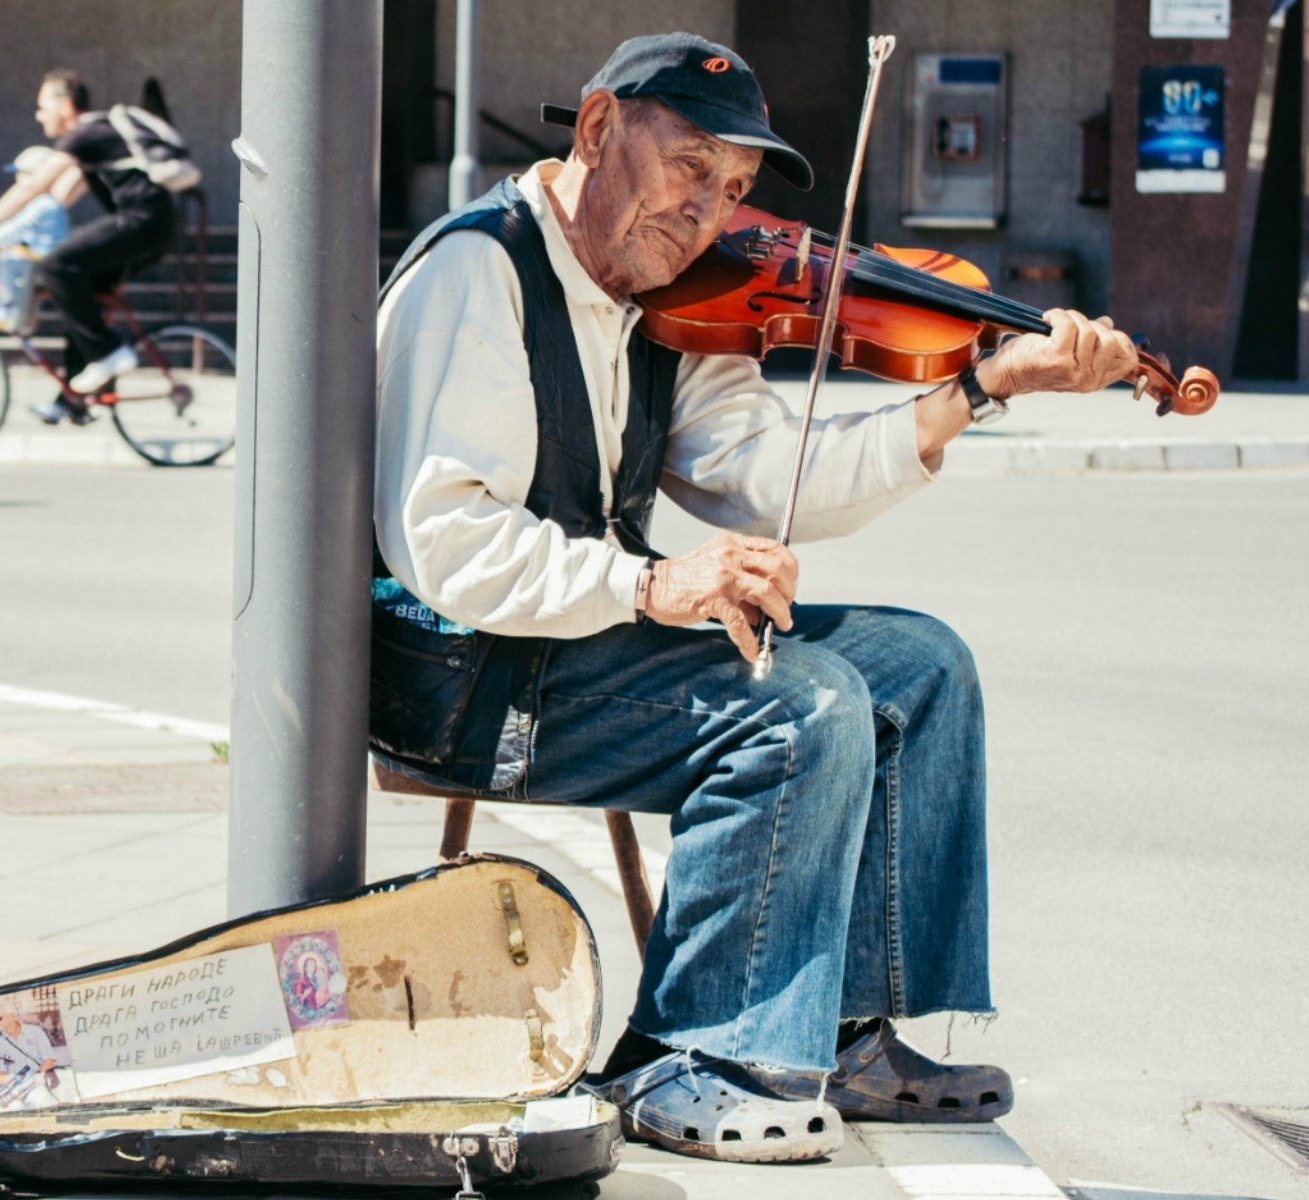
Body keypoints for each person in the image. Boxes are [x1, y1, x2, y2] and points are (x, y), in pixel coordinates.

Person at [370, 33, 1139, 1164]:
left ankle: (842, 1030)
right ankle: (685, 1055)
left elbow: (769, 481)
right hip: (464, 678)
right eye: (693, 169)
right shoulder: (477, 271)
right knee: (805, 704)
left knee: (919, 664)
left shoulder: (673, 299)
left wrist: (975, 387)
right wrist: (656, 580)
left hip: (578, 643)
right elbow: (449, 544)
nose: (711, 214)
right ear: (596, 130)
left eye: (734, 190)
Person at [0, 70, 175, 425]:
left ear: (65, 105)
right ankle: (74, 398)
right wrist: (1, 236)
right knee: (79, 296)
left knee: (57, 265)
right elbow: (54, 200)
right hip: (150, 227)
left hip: (142, 222)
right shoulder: (92, 144)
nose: (38, 116)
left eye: (42, 107)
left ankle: (110, 352)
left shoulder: (85, 135)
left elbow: (31, 189)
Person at [0, 144, 77, 335]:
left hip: (44, 259)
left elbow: (17, 227)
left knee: (9, 258)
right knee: (14, 258)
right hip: (41, 256)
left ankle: (6, 309)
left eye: (23, 174)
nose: (18, 179)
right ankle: (18, 313)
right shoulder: (46, 201)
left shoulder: (43, 203)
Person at [0, 1007, 65, 1110]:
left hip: (38, 1082)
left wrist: (39, 1074)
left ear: (13, 1017)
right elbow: (1, 1074)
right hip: (17, 1089)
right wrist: (13, 1085)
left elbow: (49, 1059)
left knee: (40, 1099)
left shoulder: (35, 1032)